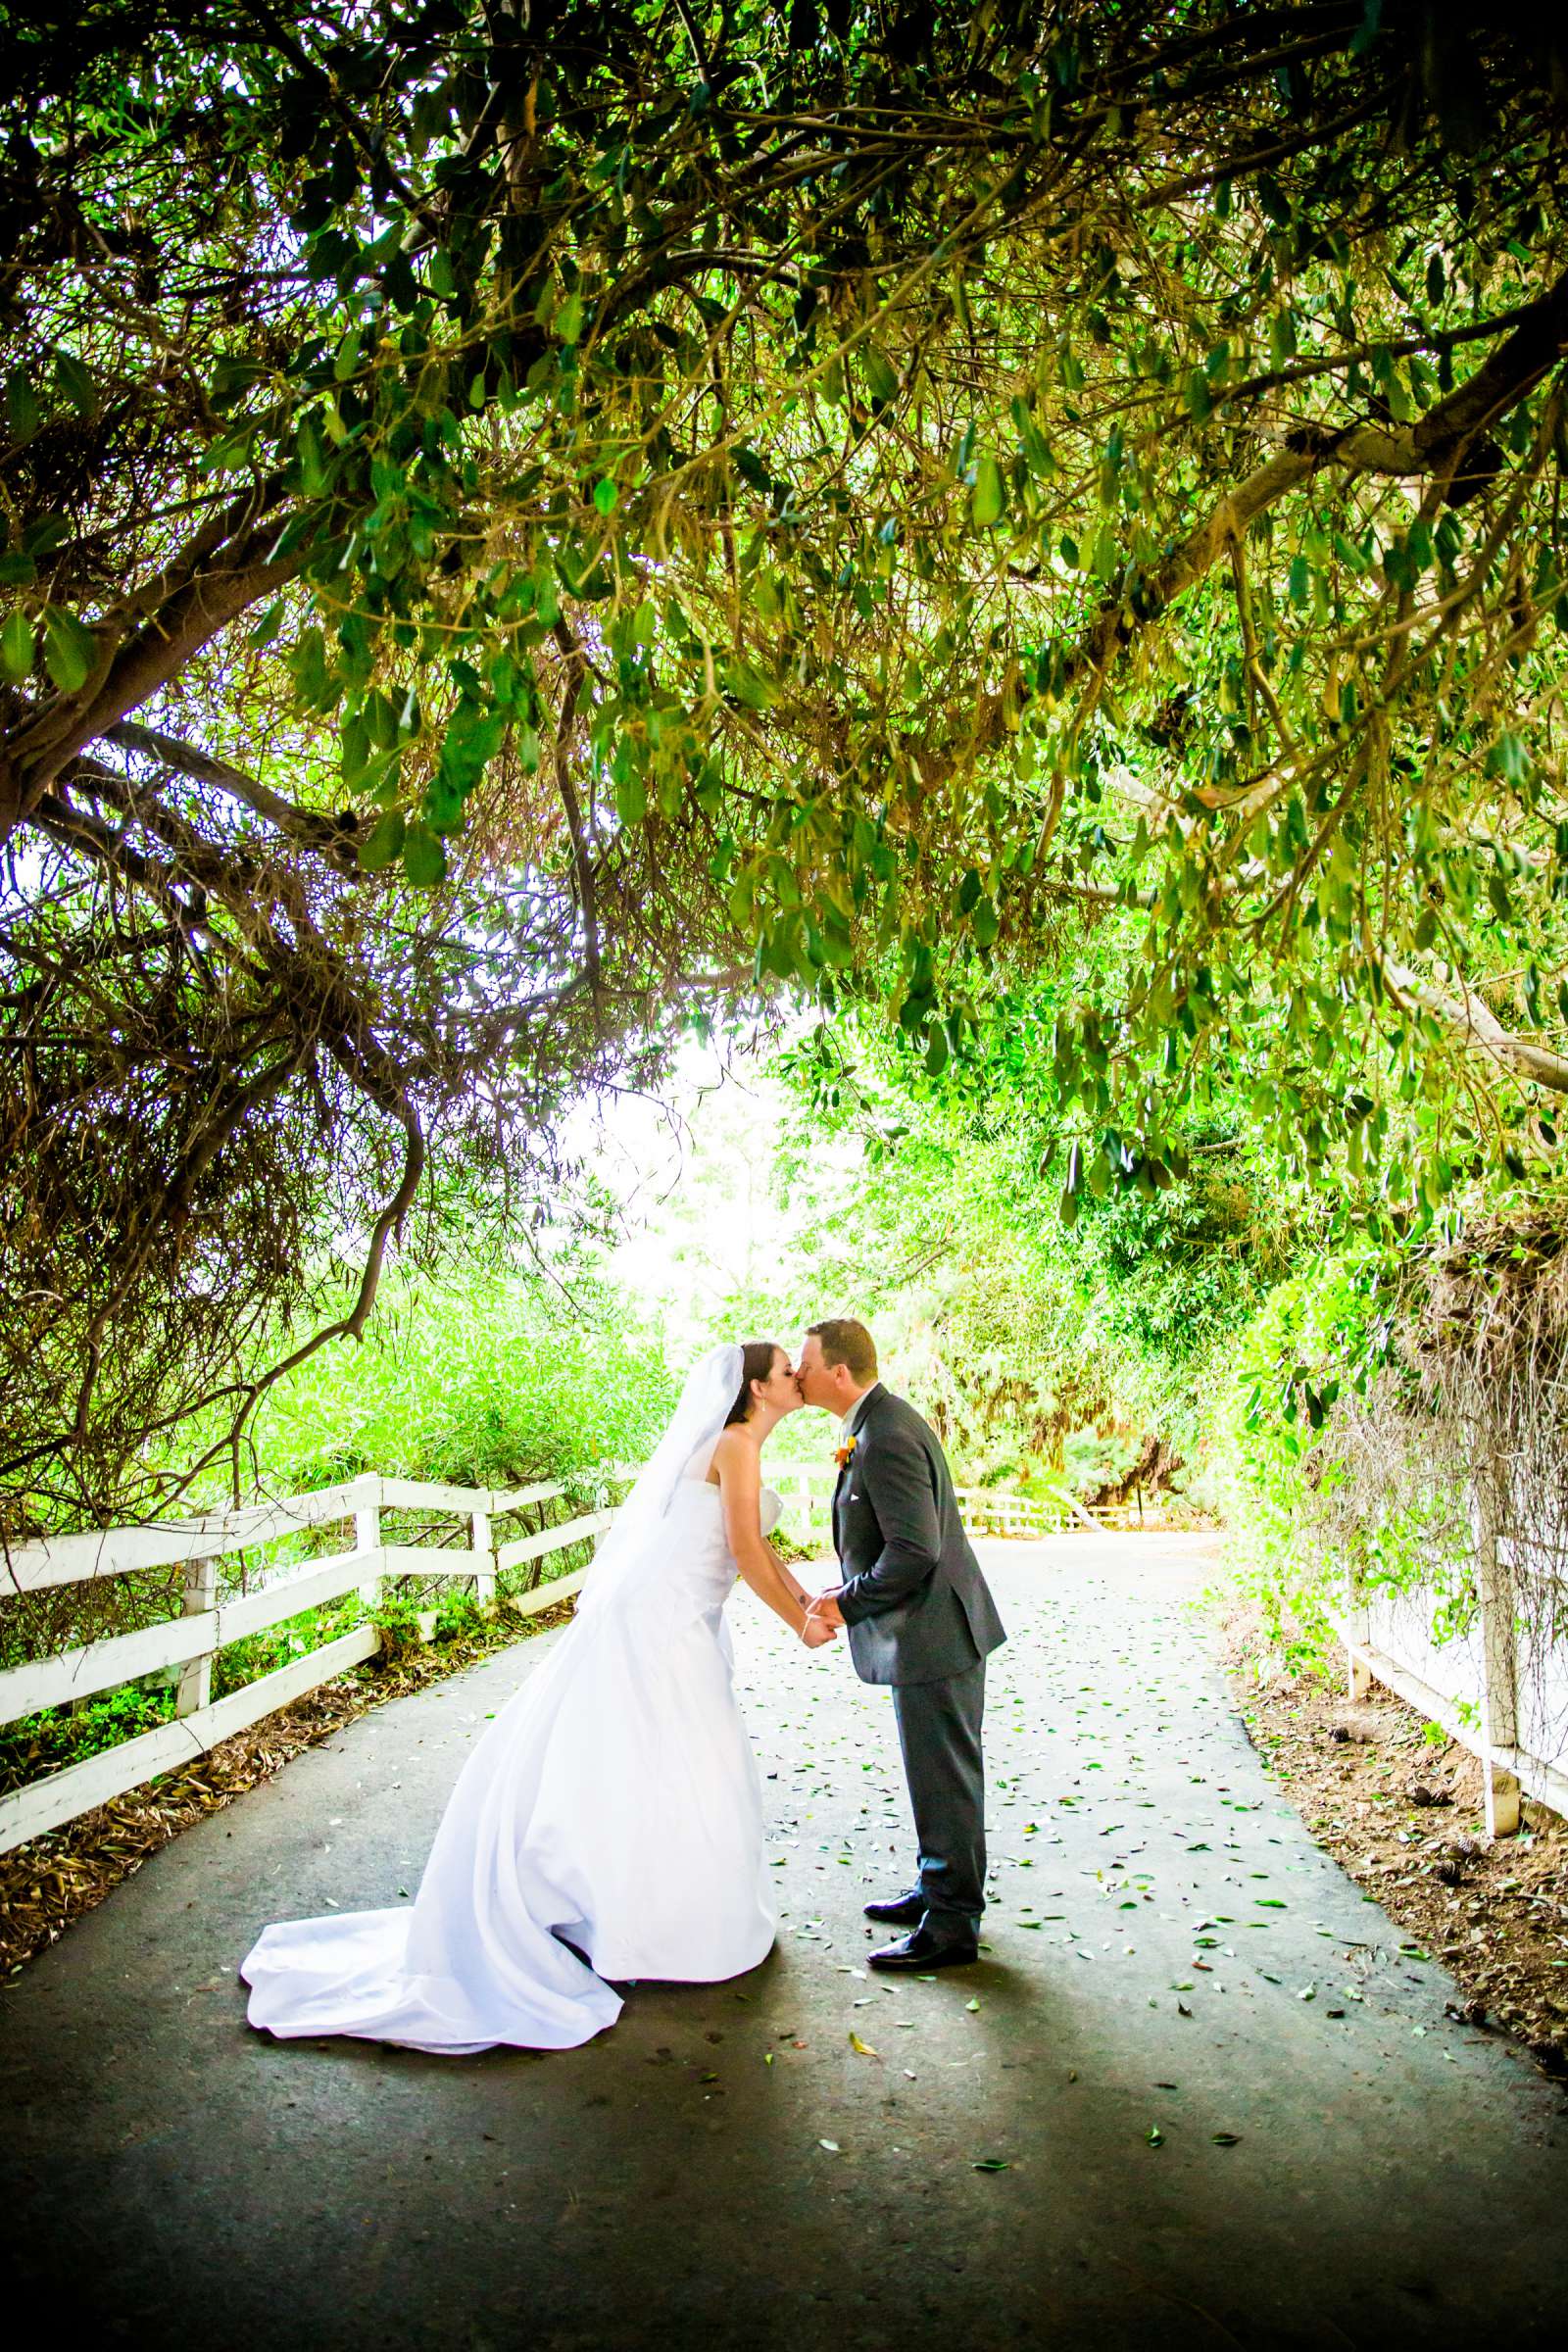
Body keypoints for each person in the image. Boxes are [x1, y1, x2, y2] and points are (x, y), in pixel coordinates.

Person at [240, 1342, 834, 2053]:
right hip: (660, 1621)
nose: (798, 1377)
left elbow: (755, 1552)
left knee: (664, 1763)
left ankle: (638, 1915)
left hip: (679, 1616)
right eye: (786, 1371)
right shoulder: (735, 1442)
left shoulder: (739, 1443)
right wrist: (799, 1620)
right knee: (677, 1758)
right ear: (759, 1391)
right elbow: (743, 1550)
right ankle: (638, 1924)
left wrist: (809, 1599)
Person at [797, 1318, 1006, 1971]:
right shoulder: (873, 1423)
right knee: (937, 1772)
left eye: (805, 1365)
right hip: (927, 1633)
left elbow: (916, 1551)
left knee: (944, 1776)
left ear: (838, 1371)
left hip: (933, 1635)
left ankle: (950, 1927)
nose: (797, 1377)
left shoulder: (884, 1434)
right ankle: (938, 1887)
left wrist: (846, 1600)